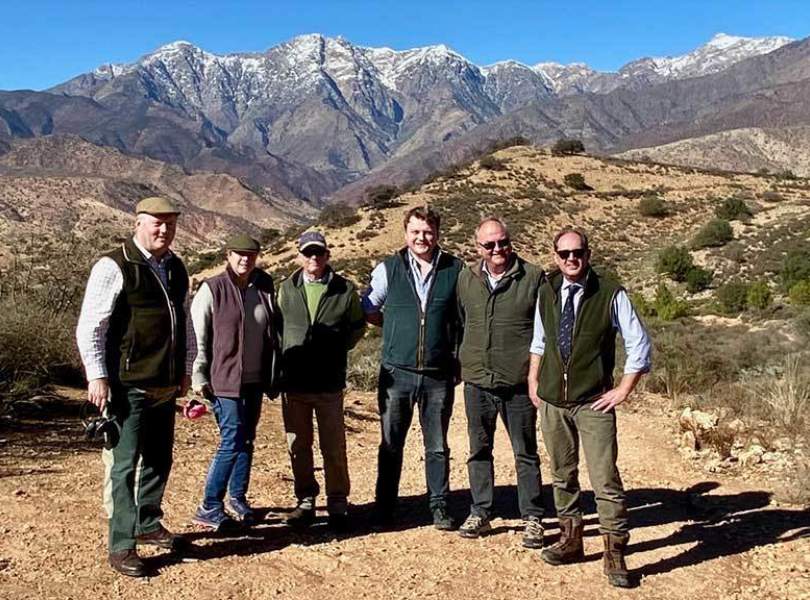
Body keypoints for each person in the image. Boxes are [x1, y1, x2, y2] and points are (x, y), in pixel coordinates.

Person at [76, 196, 194, 577]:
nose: (164, 230)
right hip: (129, 385)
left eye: (170, 224)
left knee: (161, 459)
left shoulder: (175, 268)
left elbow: (185, 323)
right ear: (138, 223)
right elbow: (92, 325)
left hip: (165, 383)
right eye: (156, 223)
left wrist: (187, 367)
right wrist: (97, 374)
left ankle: (148, 521)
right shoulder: (115, 265)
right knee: (124, 466)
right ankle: (122, 544)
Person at [528, 227, 652, 588]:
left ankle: (614, 551)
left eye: (577, 252)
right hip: (553, 401)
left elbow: (638, 343)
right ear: (555, 256)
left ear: (588, 254)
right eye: (564, 253)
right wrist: (534, 381)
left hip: (593, 402)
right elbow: (540, 340)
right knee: (562, 473)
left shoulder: (609, 292)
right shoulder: (547, 290)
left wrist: (623, 389)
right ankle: (571, 539)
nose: (571, 259)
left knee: (604, 478)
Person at [362, 206, 463, 530]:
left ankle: (439, 506)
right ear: (405, 233)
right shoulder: (388, 269)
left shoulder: (454, 269)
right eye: (416, 231)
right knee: (391, 443)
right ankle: (385, 507)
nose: (422, 238)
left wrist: (455, 358)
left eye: (428, 232)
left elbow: (462, 320)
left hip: (437, 374)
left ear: (437, 234)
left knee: (436, 445)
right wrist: (396, 329)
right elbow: (369, 307)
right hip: (397, 373)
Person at [455, 217, 546, 547]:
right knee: (479, 449)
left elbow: (543, 331)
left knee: (525, 452)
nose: (498, 250)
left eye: (503, 242)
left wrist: (537, 376)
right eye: (489, 244)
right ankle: (480, 510)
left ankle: (533, 516)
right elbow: (461, 322)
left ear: (511, 241)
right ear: (477, 246)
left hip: (518, 383)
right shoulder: (466, 279)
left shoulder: (533, 277)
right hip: (477, 381)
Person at [277, 231, 366, 531]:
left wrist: (336, 350)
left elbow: (356, 327)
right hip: (294, 383)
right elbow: (277, 329)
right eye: (307, 253)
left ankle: (338, 501)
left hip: (329, 383)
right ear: (299, 256)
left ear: (328, 255)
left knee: (333, 446)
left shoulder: (344, 289)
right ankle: (305, 501)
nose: (313, 258)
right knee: (298, 445)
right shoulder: (286, 289)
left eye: (319, 253)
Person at [189, 234, 279, 530]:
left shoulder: (264, 286)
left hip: (255, 378)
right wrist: (198, 376)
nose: (245, 260)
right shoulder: (212, 289)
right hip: (223, 379)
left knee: (247, 438)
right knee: (231, 440)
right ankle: (209, 505)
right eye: (239, 254)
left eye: (251, 255)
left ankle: (237, 498)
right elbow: (198, 337)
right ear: (228, 255)